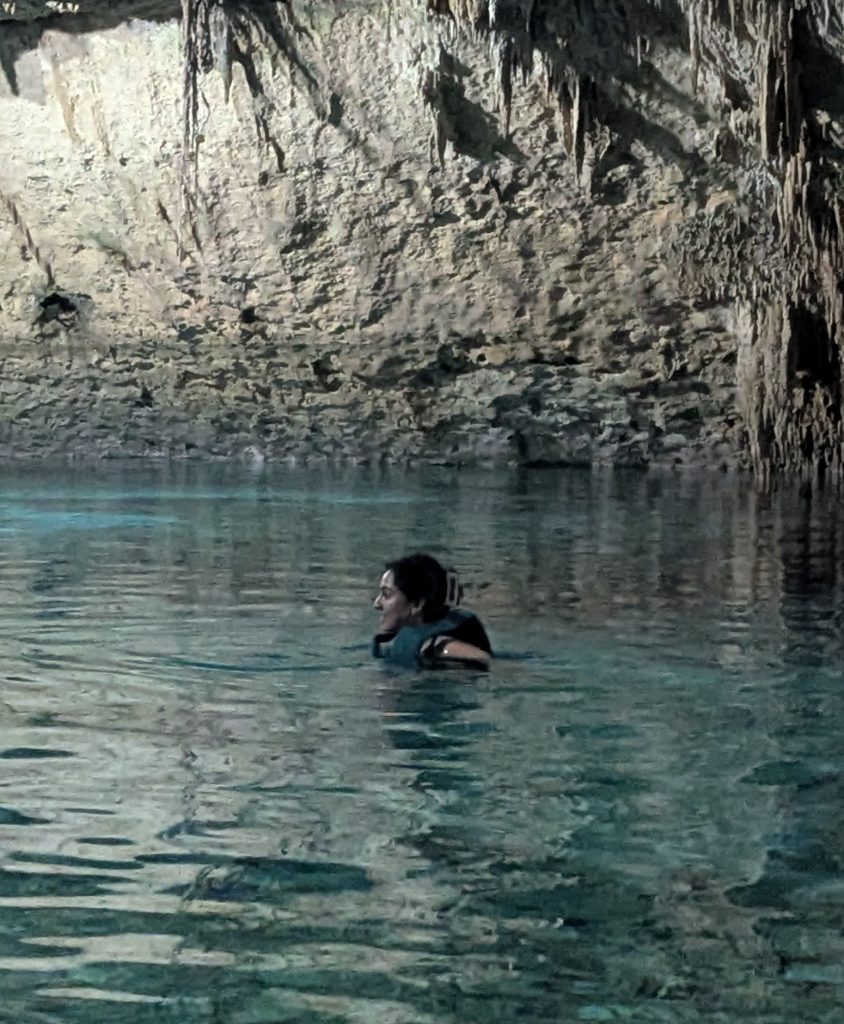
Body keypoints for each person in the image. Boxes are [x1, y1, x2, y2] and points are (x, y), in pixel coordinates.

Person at [372, 553, 492, 669]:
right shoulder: (409, 636)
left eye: (386, 594)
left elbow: (489, 662)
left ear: (417, 604)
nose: (376, 604)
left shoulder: (438, 647)